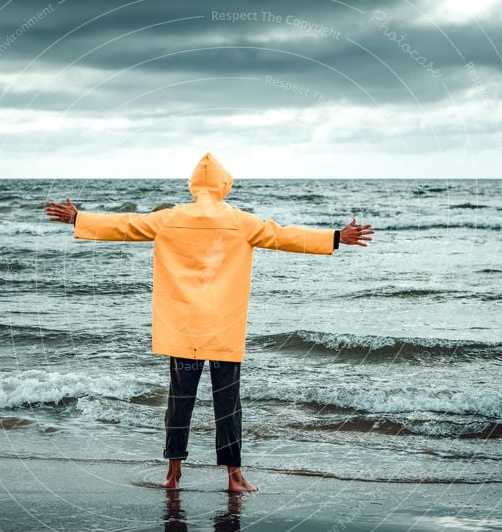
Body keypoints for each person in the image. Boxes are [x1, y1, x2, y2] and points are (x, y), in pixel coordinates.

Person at [45, 153, 373, 492]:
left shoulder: (169, 218)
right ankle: (235, 477)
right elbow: (283, 236)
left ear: (192, 186)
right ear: (224, 186)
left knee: (179, 401)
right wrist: (336, 237)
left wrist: (78, 218)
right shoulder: (240, 221)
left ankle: (172, 474)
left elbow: (126, 224)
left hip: (183, 328)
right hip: (223, 330)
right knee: (228, 404)